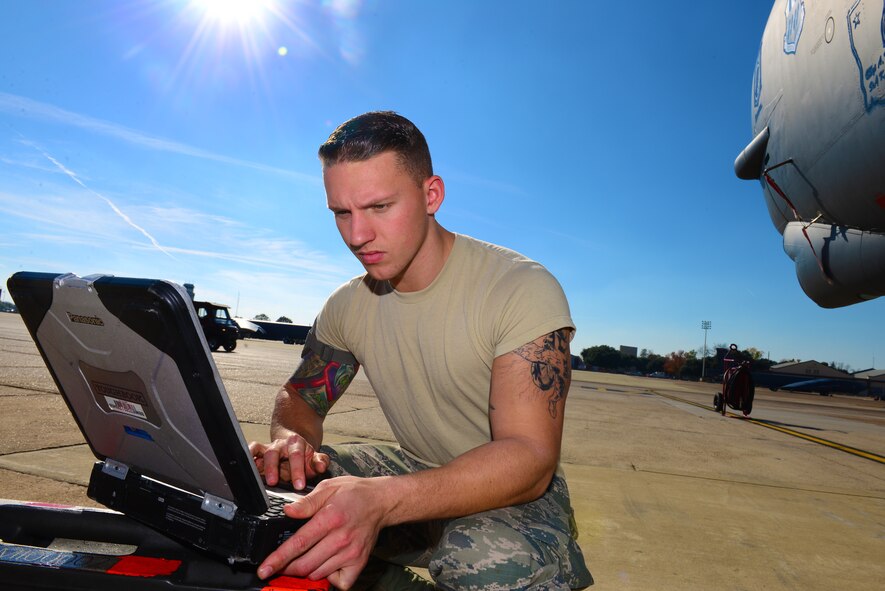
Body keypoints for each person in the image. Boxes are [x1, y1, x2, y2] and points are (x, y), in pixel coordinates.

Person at [249, 111, 592, 590]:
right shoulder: (349, 304)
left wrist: (383, 499)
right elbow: (303, 398)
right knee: (272, 490)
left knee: (486, 560)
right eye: (341, 213)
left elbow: (530, 458)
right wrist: (292, 441)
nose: (356, 236)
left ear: (432, 196)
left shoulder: (519, 288)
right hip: (415, 469)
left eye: (379, 207)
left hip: (514, 496)